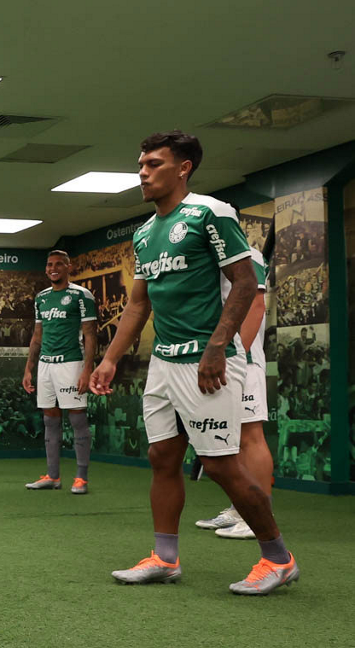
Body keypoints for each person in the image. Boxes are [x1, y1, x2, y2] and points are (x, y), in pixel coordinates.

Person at [90, 130, 297, 595]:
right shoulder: (144, 233)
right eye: (141, 165)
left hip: (208, 359)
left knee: (221, 464)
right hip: (164, 363)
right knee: (162, 457)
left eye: (154, 164)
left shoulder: (210, 212)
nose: (143, 173)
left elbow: (244, 283)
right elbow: (138, 304)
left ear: (184, 168)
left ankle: (278, 558)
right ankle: (165, 558)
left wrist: (216, 348)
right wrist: (109, 359)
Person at [195, 242, 274, 538]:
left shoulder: (247, 253)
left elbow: (256, 305)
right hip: (223, 358)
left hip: (244, 361)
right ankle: (240, 509)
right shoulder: (211, 257)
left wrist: (235, 356)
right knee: (235, 439)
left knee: (251, 436)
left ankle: (260, 516)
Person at [22, 250, 97, 494]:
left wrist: (87, 370)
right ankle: (52, 476)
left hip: (71, 363)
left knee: (77, 419)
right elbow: (37, 336)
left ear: (68, 267)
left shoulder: (81, 295)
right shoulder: (41, 298)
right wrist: (29, 368)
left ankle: (81, 478)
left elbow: (90, 334)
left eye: (58, 264)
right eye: (49, 265)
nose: (53, 268)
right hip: (46, 364)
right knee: (49, 420)